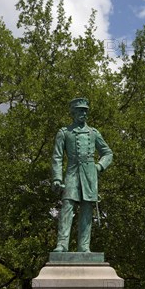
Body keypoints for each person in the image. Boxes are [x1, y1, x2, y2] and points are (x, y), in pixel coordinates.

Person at [51, 97, 113, 252]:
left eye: (85, 111)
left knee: (87, 209)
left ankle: (84, 246)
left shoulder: (94, 133)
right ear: (73, 112)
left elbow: (108, 153)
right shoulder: (64, 133)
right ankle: (62, 244)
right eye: (80, 110)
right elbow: (57, 157)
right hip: (72, 173)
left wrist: (99, 167)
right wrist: (57, 178)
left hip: (89, 175)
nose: (83, 114)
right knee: (67, 206)